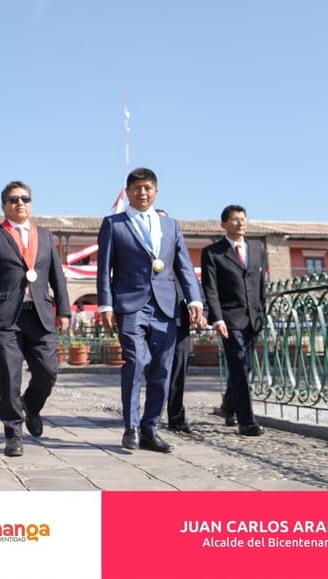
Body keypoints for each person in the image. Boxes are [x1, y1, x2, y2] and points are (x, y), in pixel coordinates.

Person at [96, 167, 204, 453]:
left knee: (162, 370)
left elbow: (183, 266)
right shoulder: (114, 224)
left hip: (166, 307)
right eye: (136, 188)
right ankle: (130, 426)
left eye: (147, 188)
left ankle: (150, 428)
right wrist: (105, 303)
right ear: (128, 191)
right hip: (131, 305)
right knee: (135, 362)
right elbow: (103, 268)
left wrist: (195, 300)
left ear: (155, 191)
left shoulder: (171, 226)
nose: (142, 193)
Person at [0, 181, 71, 457]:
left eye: (25, 199)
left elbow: (57, 276)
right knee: (9, 374)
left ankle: (32, 406)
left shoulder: (45, 236)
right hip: (6, 317)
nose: (20, 204)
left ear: (31, 203)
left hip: (40, 316)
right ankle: (13, 431)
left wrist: (64, 310)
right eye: (13, 199)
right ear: (4, 205)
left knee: (48, 371)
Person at [200, 204, 267, 437]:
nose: (241, 223)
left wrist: (263, 313)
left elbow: (260, 285)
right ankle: (246, 421)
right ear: (224, 224)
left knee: (244, 366)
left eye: (244, 218)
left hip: (253, 318)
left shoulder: (257, 250)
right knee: (239, 364)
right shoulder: (212, 252)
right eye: (236, 219)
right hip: (229, 319)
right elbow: (210, 289)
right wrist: (216, 318)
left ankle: (228, 405)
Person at [157, 209, 193, 434]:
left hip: (178, 317)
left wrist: (201, 307)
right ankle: (149, 414)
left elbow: (190, 279)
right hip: (150, 317)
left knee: (179, 368)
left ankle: (176, 415)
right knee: (153, 368)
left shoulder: (177, 248)